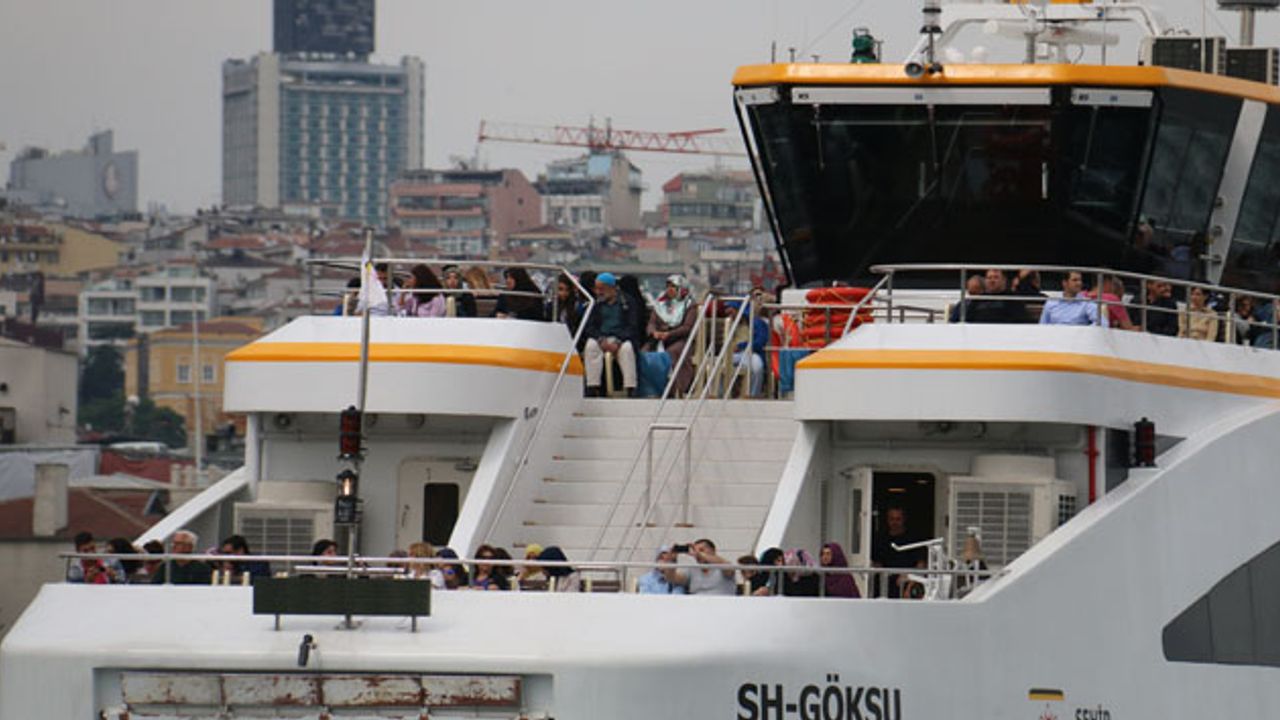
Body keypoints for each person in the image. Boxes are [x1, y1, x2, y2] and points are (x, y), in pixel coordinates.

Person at [582, 272, 640, 397]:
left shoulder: (627, 302)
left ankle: (630, 387)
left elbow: (632, 326)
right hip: (601, 338)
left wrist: (618, 341)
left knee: (627, 349)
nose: (598, 292)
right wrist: (600, 339)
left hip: (620, 338)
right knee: (590, 346)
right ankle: (592, 386)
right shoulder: (595, 304)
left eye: (601, 289)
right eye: (597, 289)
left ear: (612, 288)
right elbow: (589, 327)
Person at [646, 275, 697, 394]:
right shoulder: (661, 304)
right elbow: (652, 323)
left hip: (680, 339)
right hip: (659, 339)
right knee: (645, 353)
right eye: (668, 286)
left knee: (672, 353)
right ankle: (651, 388)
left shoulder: (689, 305)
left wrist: (669, 334)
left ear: (681, 288)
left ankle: (676, 389)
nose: (669, 289)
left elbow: (687, 327)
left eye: (673, 287)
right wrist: (654, 332)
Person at [871, 507, 926, 598]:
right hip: (884, 587)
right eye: (892, 519)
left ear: (904, 519)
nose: (894, 522)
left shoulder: (913, 539)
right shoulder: (880, 539)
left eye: (898, 519)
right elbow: (877, 563)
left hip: (907, 586)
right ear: (887, 520)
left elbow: (921, 565)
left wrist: (910, 585)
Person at [662, 539, 735, 595]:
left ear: (713, 551)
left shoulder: (722, 566)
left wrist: (700, 554)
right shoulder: (692, 570)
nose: (697, 554)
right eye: (695, 550)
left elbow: (727, 567)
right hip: (697, 606)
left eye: (702, 550)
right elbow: (671, 578)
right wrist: (672, 560)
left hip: (721, 605)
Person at [1039, 271, 1105, 326]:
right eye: (1075, 280)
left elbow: (1103, 323)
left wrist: (1084, 331)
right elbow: (1042, 326)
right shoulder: (1051, 302)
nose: (1079, 283)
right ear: (1065, 283)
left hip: (1078, 337)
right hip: (1056, 336)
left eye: (1080, 280)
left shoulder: (1086, 303)